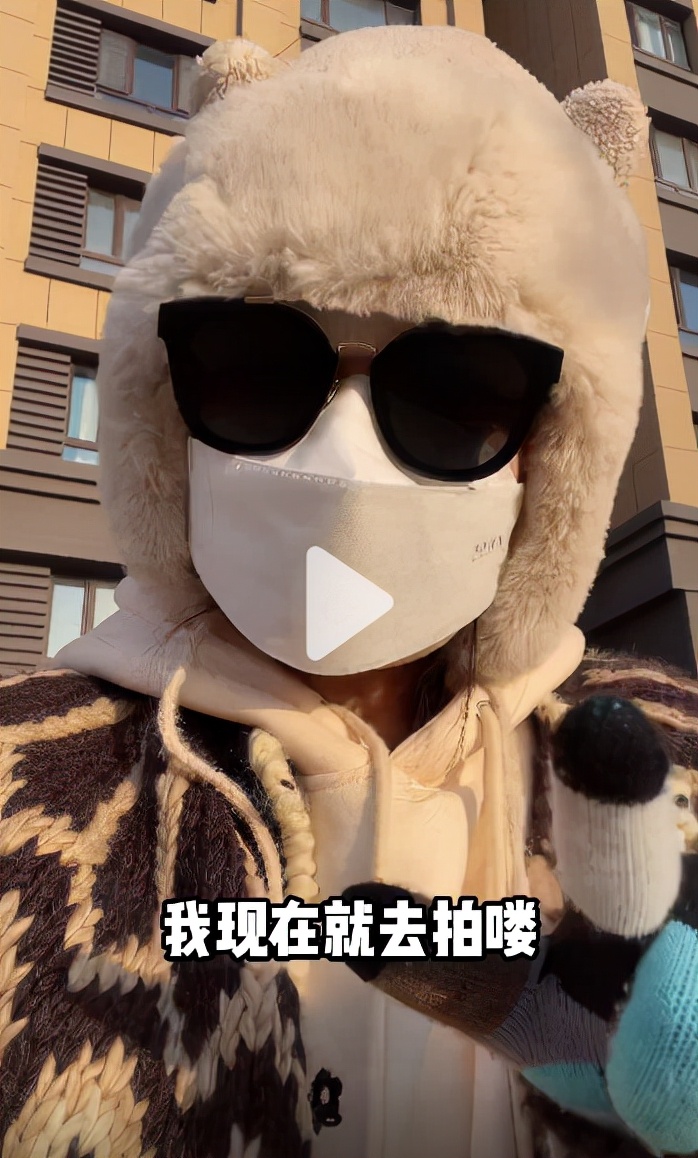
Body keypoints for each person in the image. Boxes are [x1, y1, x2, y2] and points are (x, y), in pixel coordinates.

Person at [0, 26, 696, 1158]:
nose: (340, 458)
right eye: (253, 368)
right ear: (166, 416)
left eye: (458, 390)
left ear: (551, 453)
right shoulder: (21, 790)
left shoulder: (667, 762)